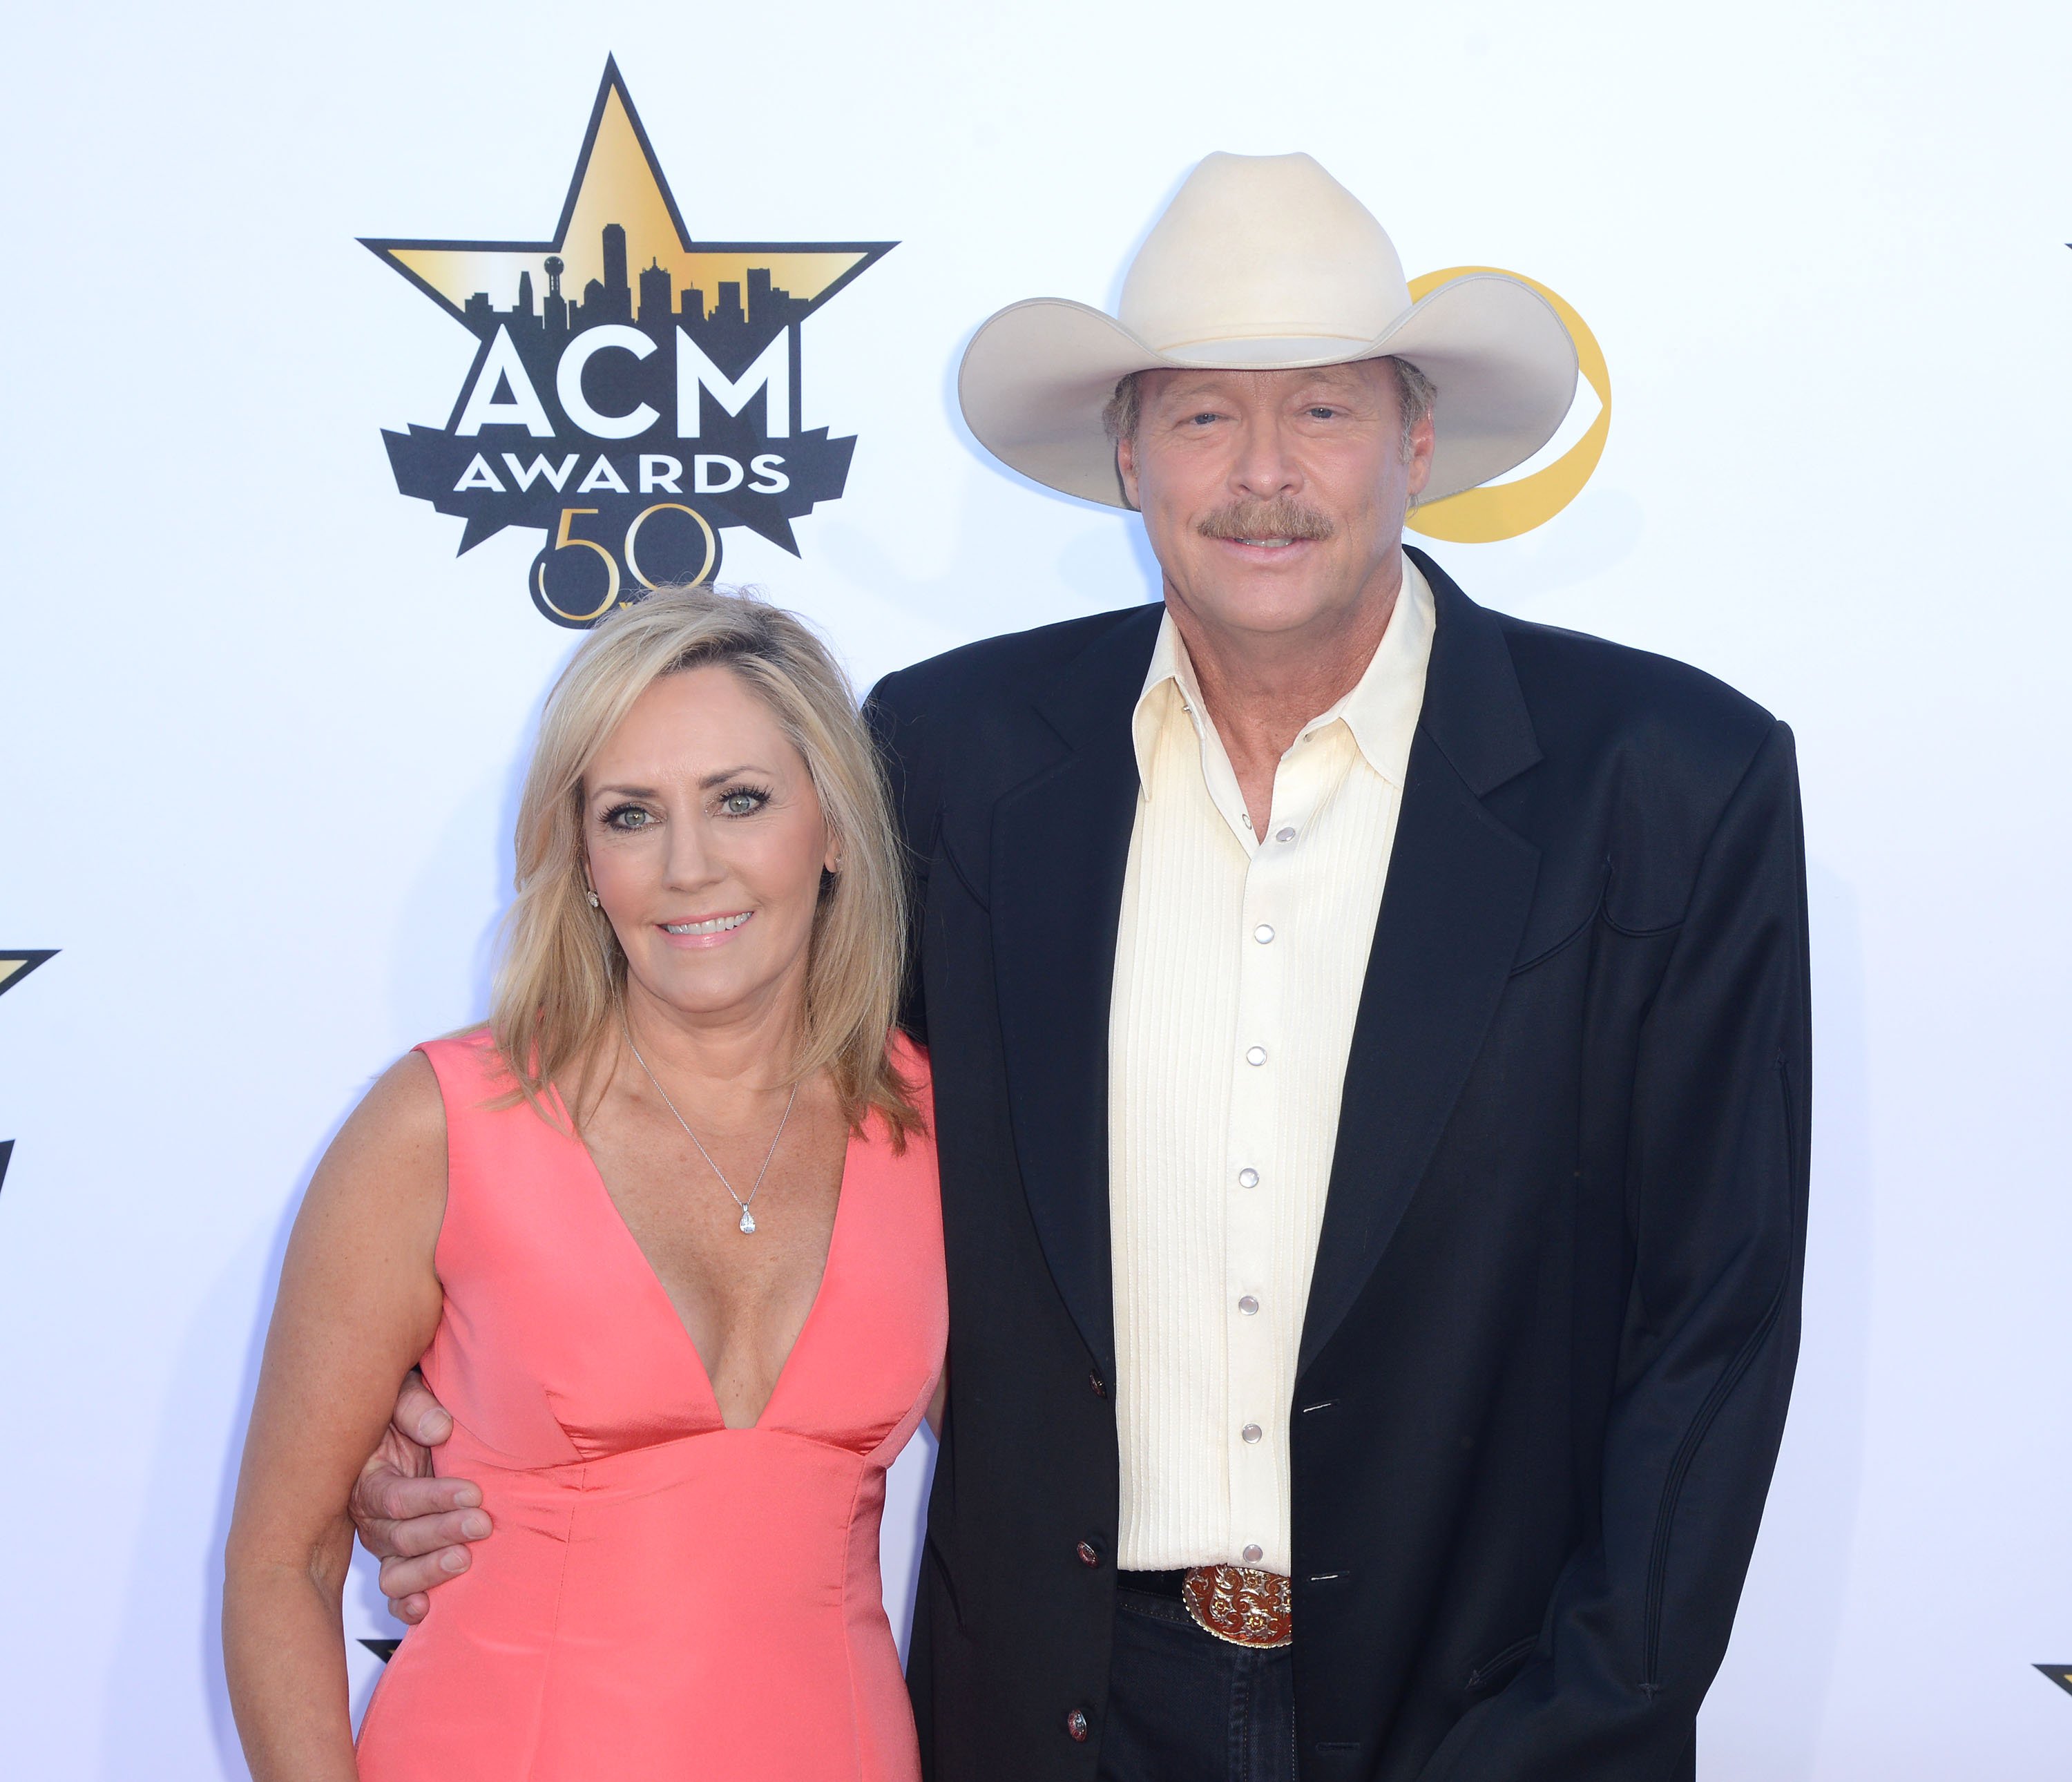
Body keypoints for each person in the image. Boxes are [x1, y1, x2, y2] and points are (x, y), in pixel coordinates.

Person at [355, 153, 1812, 1781]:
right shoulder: (952, 761)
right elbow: (742, 1111)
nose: (1264, 474)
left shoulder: (1671, 782)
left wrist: (1585, 1723)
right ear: (1126, 454)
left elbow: (1718, 1321)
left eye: (1322, 411)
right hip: (1056, 1711)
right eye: (1202, 417)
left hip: (1488, 1710)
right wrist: (433, 1421)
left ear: (1416, 441)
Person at [222, 587, 946, 1782]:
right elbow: (279, 1568)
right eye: (630, 815)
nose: (688, 866)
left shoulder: (938, 1127)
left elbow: (1062, 1464)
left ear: (833, 828)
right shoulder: (441, 1127)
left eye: (741, 800)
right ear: (584, 859)